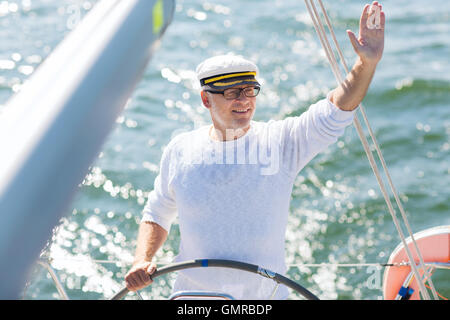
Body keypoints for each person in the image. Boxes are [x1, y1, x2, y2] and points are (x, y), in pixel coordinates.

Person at [125, 2, 385, 299]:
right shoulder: (180, 149)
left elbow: (335, 110)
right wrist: (141, 259)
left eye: (250, 90)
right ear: (206, 99)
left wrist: (367, 63)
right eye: (232, 92)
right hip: (194, 300)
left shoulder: (281, 142)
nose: (244, 100)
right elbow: (158, 212)